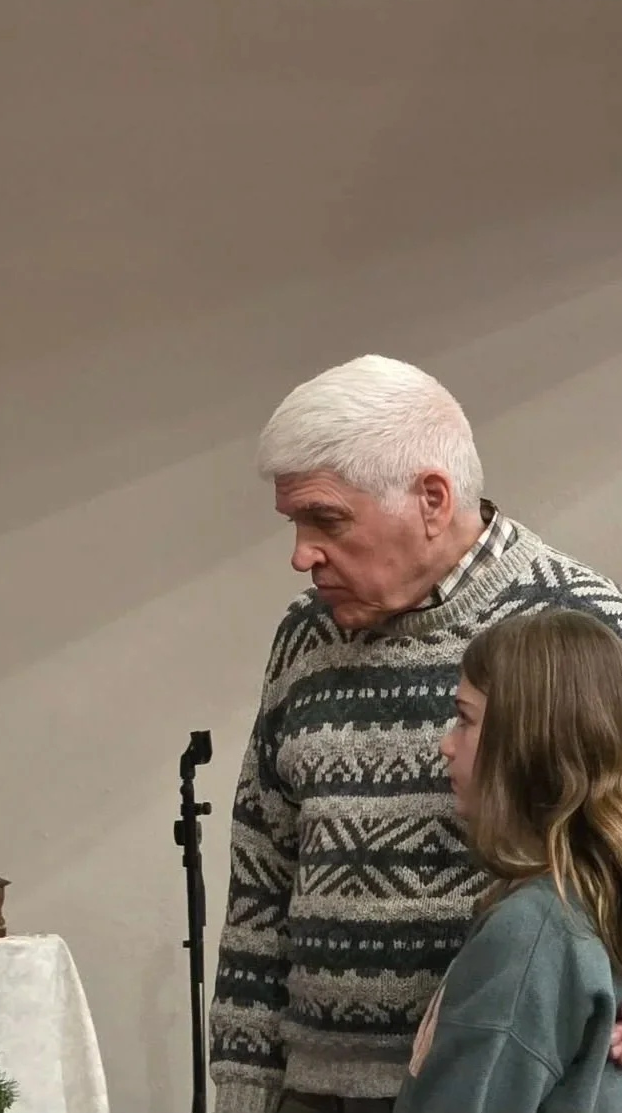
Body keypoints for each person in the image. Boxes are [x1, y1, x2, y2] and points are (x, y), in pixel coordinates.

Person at [210, 355, 622, 1113]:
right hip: (308, 1094)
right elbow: (260, 874)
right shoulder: (305, 636)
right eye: (294, 523)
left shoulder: (582, 627)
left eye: (326, 519)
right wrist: (242, 1089)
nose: (301, 554)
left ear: (431, 497)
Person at [395, 609, 622, 1112]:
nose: (445, 745)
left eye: (465, 719)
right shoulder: (589, 906)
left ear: (528, 742)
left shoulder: (534, 932)